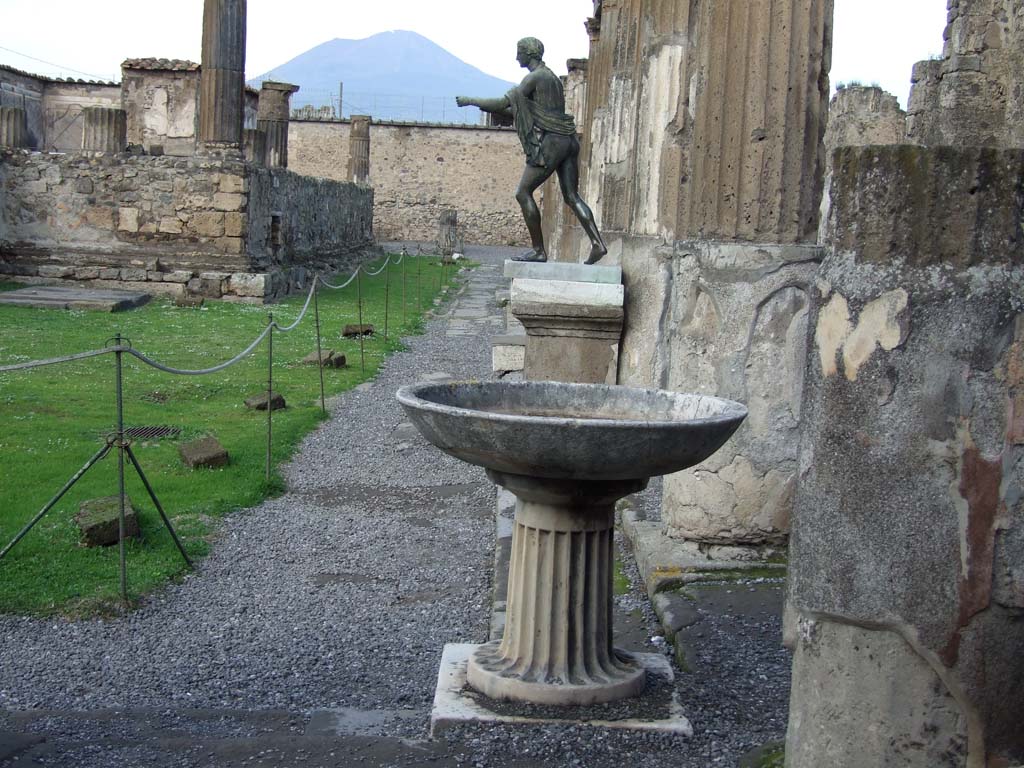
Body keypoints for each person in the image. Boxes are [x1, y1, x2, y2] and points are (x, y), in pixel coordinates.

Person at [456, 37, 608, 264]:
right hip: (568, 140)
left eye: (519, 52)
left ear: (529, 53)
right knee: (571, 196)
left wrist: (470, 100)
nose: (517, 57)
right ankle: (597, 243)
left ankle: (538, 250)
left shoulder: (534, 78)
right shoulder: (553, 79)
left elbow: (501, 104)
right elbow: (522, 113)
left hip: (553, 142)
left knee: (523, 192)